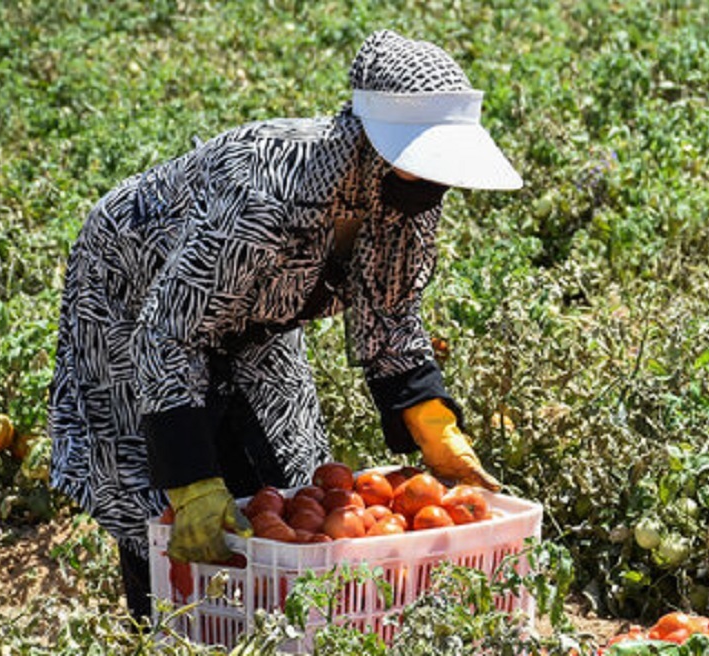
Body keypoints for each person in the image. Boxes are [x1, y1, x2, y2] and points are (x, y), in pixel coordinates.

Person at [47, 29, 522, 619]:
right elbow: (171, 332)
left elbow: (392, 312)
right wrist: (192, 480)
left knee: (287, 474)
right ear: (374, 145)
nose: (436, 184)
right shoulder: (268, 191)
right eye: (421, 165)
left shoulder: (407, 197)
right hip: (133, 291)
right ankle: (165, 620)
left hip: (258, 311)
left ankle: (274, 619)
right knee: (161, 488)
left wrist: (431, 420)